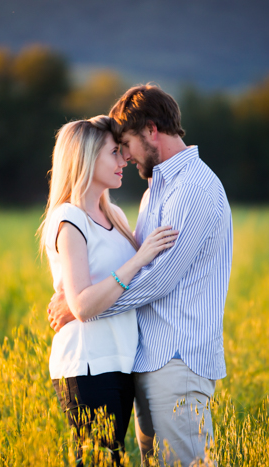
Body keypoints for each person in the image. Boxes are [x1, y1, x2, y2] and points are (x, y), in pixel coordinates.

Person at [47, 85, 233, 466]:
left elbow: (158, 277)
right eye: (115, 150)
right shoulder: (155, 191)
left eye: (125, 144)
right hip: (143, 362)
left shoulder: (192, 189)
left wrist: (85, 306)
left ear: (151, 130)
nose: (125, 156)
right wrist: (87, 303)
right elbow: (138, 268)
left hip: (177, 360)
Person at [38, 115, 179, 465]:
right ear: (86, 158)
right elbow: (84, 307)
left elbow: (106, 292)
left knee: (112, 459)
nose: (124, 161)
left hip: (120, 361)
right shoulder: (69, 220)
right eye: (114, 153)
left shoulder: (114, 214)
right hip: (87, 365)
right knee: (102, 460)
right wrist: (138, 259)